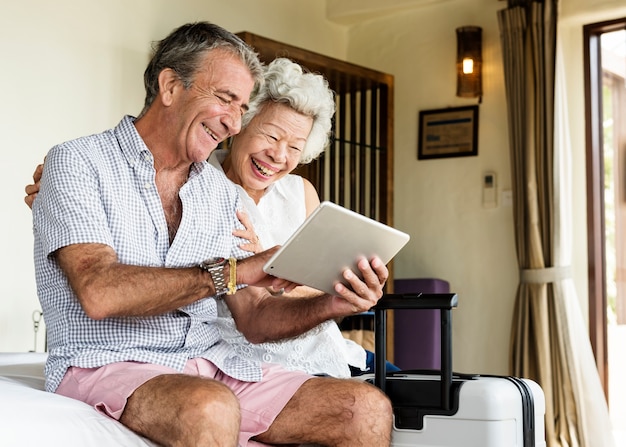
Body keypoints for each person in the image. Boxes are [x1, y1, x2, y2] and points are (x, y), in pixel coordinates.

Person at [29, 21, 392, 447]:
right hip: (105, 361)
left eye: (241, 108)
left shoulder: (219, 192)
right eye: (225, 99)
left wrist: (334, 301)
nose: (235, 125)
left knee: (364, 409)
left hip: (210, 363)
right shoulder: (77, 162)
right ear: (169, 86)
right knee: (210, 406)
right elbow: (100, 291)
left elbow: (254, 318)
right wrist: (234, 271)